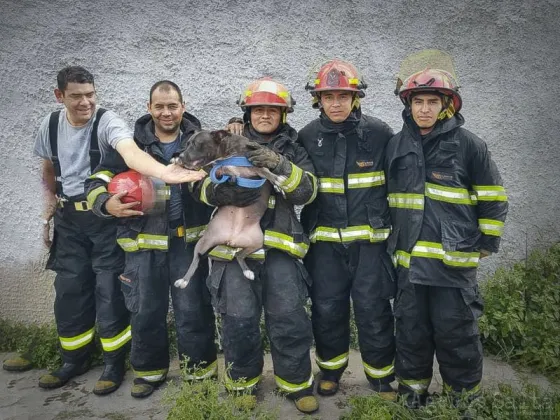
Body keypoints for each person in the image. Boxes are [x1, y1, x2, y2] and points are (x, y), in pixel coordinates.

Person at [2, 66, 203, 395]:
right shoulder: (57, 127)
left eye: (90, 95)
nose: (85, 102)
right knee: (82, 296)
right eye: (77, 96)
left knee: (150, 301)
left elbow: (134, 154)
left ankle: (144, 369)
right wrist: (58, 207)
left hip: (153, 235)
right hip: (98, 228)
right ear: (60, 96)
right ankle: (80, 361)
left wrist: (232, 129)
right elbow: (60, 170)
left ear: (183, 106)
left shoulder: (122, 126)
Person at [85, 80, 216, 399]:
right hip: (143, 244)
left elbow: (219, 178)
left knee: (193, 309)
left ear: (183, 107)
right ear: (149, 108)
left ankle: (199, 374)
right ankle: (149, 373)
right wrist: (106, 203)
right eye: (159, 106)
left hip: (188, 245)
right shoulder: (131, 146)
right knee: (145, 310)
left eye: (172, 106)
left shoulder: (201, 143)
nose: (166, 112)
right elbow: (97, 180)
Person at [385, 67, 508, 406]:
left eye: (432, 102)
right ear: (408, 105)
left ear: (447, 106)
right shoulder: (397, 145)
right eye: (418, 102)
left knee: (457, 336)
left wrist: (486, 244)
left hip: (452, 268)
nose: (424, 109)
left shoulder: (469, 146)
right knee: (411, 333)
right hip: (410, 267)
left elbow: (494, 198)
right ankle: (413, 394)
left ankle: (462, 400)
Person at [198, 78, 319, 414]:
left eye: (273, 110)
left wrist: (278, 164)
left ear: (283, 114)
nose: (265, 115)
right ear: (247, 112)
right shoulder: (226, 142)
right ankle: (242, 385)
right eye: (258, 109)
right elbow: (200, 187)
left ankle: (296, 385)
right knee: (238, 319)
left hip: (280, 251)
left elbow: (307, 192)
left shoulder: (294, 148)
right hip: (233, 252)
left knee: (289, 318)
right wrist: (217, 192)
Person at [297, 59, 396, 399]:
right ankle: (330, 372)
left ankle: (381, 377)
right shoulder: (307, 136)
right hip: (324, 246)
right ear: (318, 100)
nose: (335, 103)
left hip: (370, 246)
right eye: (328, 97)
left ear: (356, 98)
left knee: (374, 309)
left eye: (343, 96)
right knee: (326, 309)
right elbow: (276, 151)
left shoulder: (381, 134)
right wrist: (239, 126)